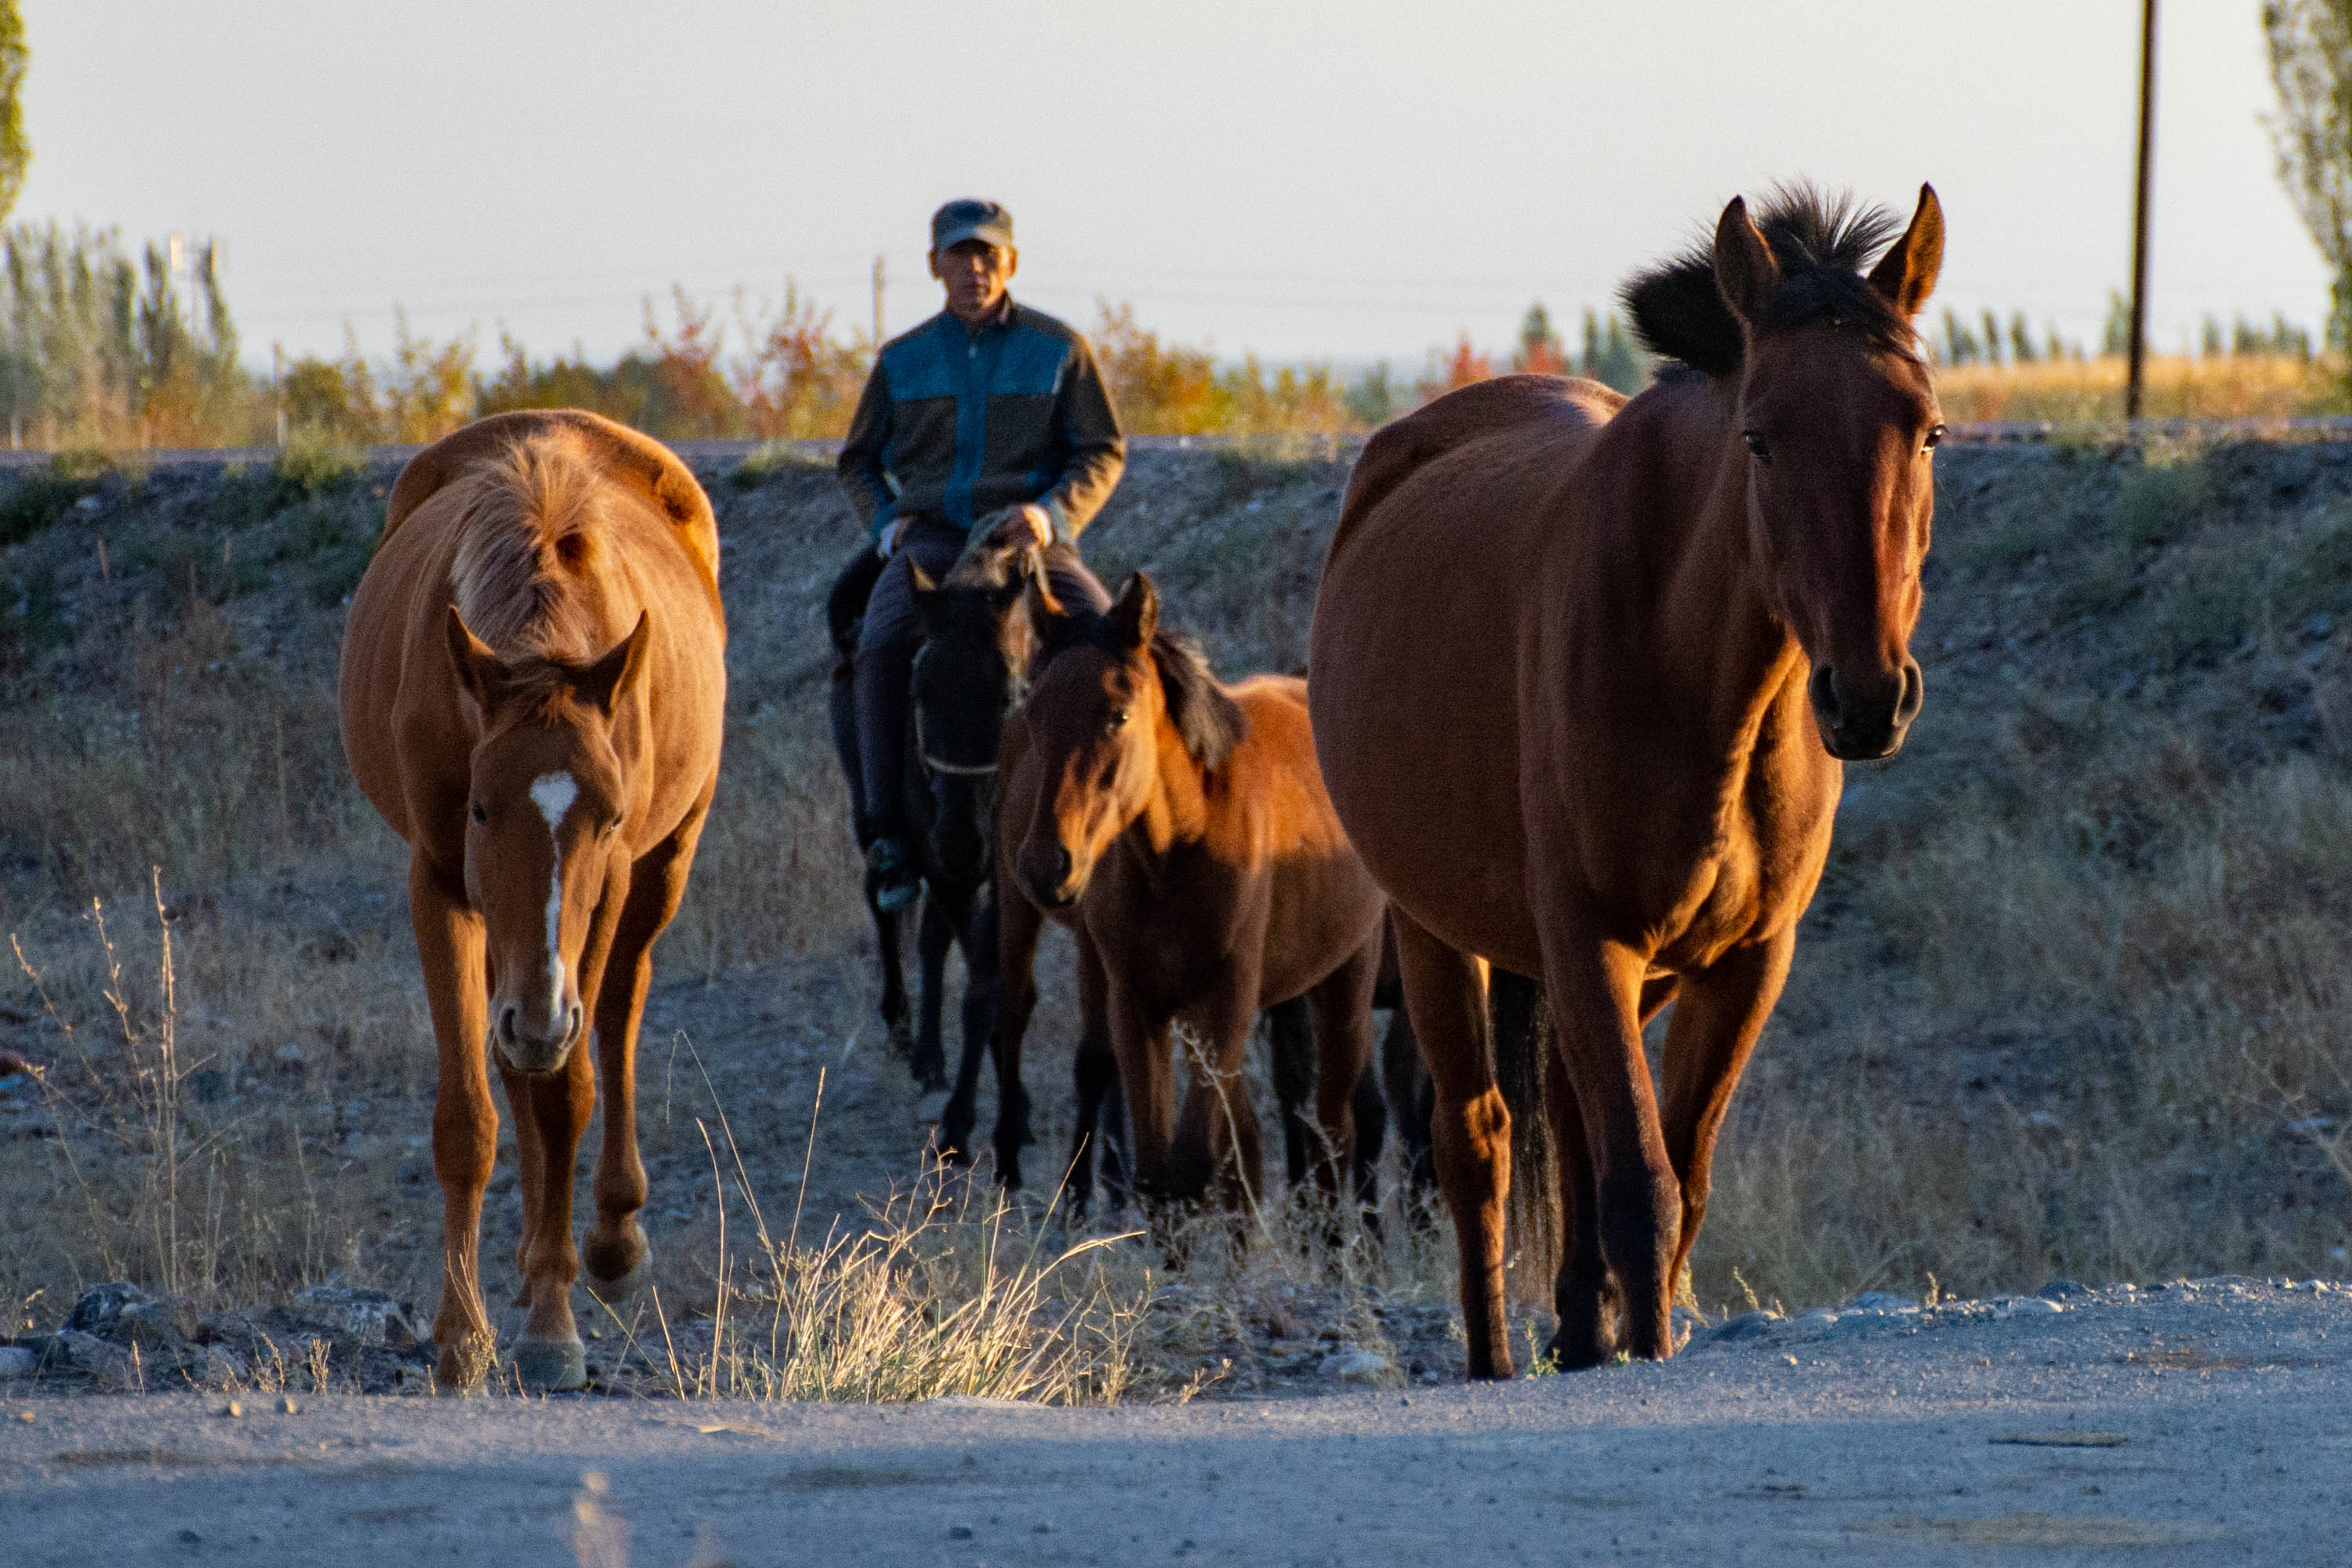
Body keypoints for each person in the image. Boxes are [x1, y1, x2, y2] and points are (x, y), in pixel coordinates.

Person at [836, 198, 1126, 911]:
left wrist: (1050, 515)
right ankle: (887, 836)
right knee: (879, 645)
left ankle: (1127, 828)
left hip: (1027, 540)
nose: (976, 269)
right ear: (935, 265)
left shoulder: (1061, 349)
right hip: (931, 542)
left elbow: (1103, 450)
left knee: (1112, 638)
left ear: (1013, 262)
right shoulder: (901, 361)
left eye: (989, 254)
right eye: (961, 255)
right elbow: (857, 460)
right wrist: (886, 524)